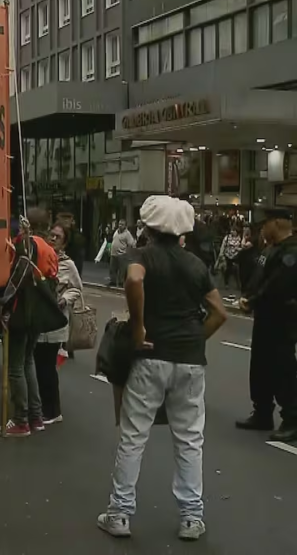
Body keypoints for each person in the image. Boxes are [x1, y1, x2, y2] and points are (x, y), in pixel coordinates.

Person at [98, 195, 228, 542]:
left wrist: (139, 326)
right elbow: (219, 313)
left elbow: (134, 280)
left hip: (150, 357)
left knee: (133, 436)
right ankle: (192, 518)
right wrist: (194, 339)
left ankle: (119, 513)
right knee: (189, 440)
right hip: (190, 361)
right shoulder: (196, 265)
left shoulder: (141, 256)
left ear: (149, 227)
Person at [0, 208, 59, 438]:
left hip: (22, 311)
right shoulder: (49, 249)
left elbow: (14, 278)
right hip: (38, 313)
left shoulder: (26, 245)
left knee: (15, 366)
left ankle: (21, 419)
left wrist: (2, 303)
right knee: (28, 361)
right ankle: (35, 416)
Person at [236, 208, 297, 443]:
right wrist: (247, 296)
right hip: (264, 317)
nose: (262, 228)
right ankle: (262, 412)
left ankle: (292, 419)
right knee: (260, 366)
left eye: (266, 223)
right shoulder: (269, 249)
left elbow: (278, 286)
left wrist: (253, 301)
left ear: (278, 223)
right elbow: (257, 277)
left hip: (282, 318)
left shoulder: (291, 252)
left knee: (282, 369)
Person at [34, 222, 83, 426]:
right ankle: (41, 407)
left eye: (58, 237)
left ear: (64, 243)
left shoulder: (67, 264)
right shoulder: (40, 257)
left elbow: (77, 288)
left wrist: (64, 299)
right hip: (38, 320)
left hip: (55, 321)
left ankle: (53, 410)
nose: (53, 239)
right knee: (37, 365)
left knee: (47, 367)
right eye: (51, 235)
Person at [109, 220, 137, 287]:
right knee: (112, 269)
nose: (120, 225)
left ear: (125, 226)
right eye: (119, 224)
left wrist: (129, 253)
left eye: (122, 224)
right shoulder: (116, 231)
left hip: (122, 254)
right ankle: (113, 282)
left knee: (122, 270)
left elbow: (132, 244)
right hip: (113, 254)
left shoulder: (127, 234)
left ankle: (121, 283)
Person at [219, 226, 244, 292]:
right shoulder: (227, 237)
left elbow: (242, 247)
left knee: (237, 271)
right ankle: (226, 283)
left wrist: (239, 249)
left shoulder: (240, 238)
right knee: (227, 270)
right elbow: (223, 246)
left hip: (236, 256)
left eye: (234, 230)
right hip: (228, 255)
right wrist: (221, 254)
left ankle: (238, 284)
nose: (232, 232)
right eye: (231, 230)